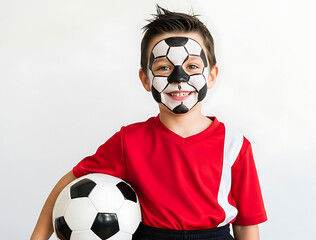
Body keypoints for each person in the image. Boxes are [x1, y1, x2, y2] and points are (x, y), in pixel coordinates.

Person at [31, 5, 267, 240]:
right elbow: (69, 183)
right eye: (163, 68)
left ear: (211, 75)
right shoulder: (128, 142)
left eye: (192, 66)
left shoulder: (235, 145)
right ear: (145, 79)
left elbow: (246, 225)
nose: (179, 78)